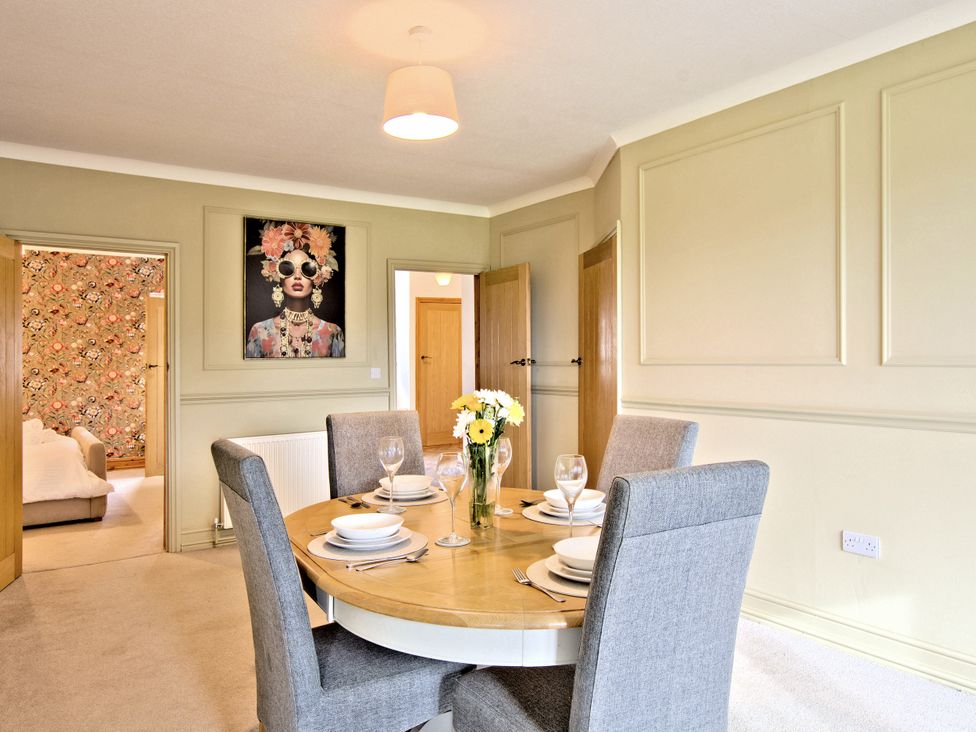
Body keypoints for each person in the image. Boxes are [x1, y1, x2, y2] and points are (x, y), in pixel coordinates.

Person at [245, 222, 344, 358]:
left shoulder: (333, 332)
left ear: (316, 278)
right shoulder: (260, 331)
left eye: (307, 269)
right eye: (288, 269)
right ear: (280, 277)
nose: (297, 276)